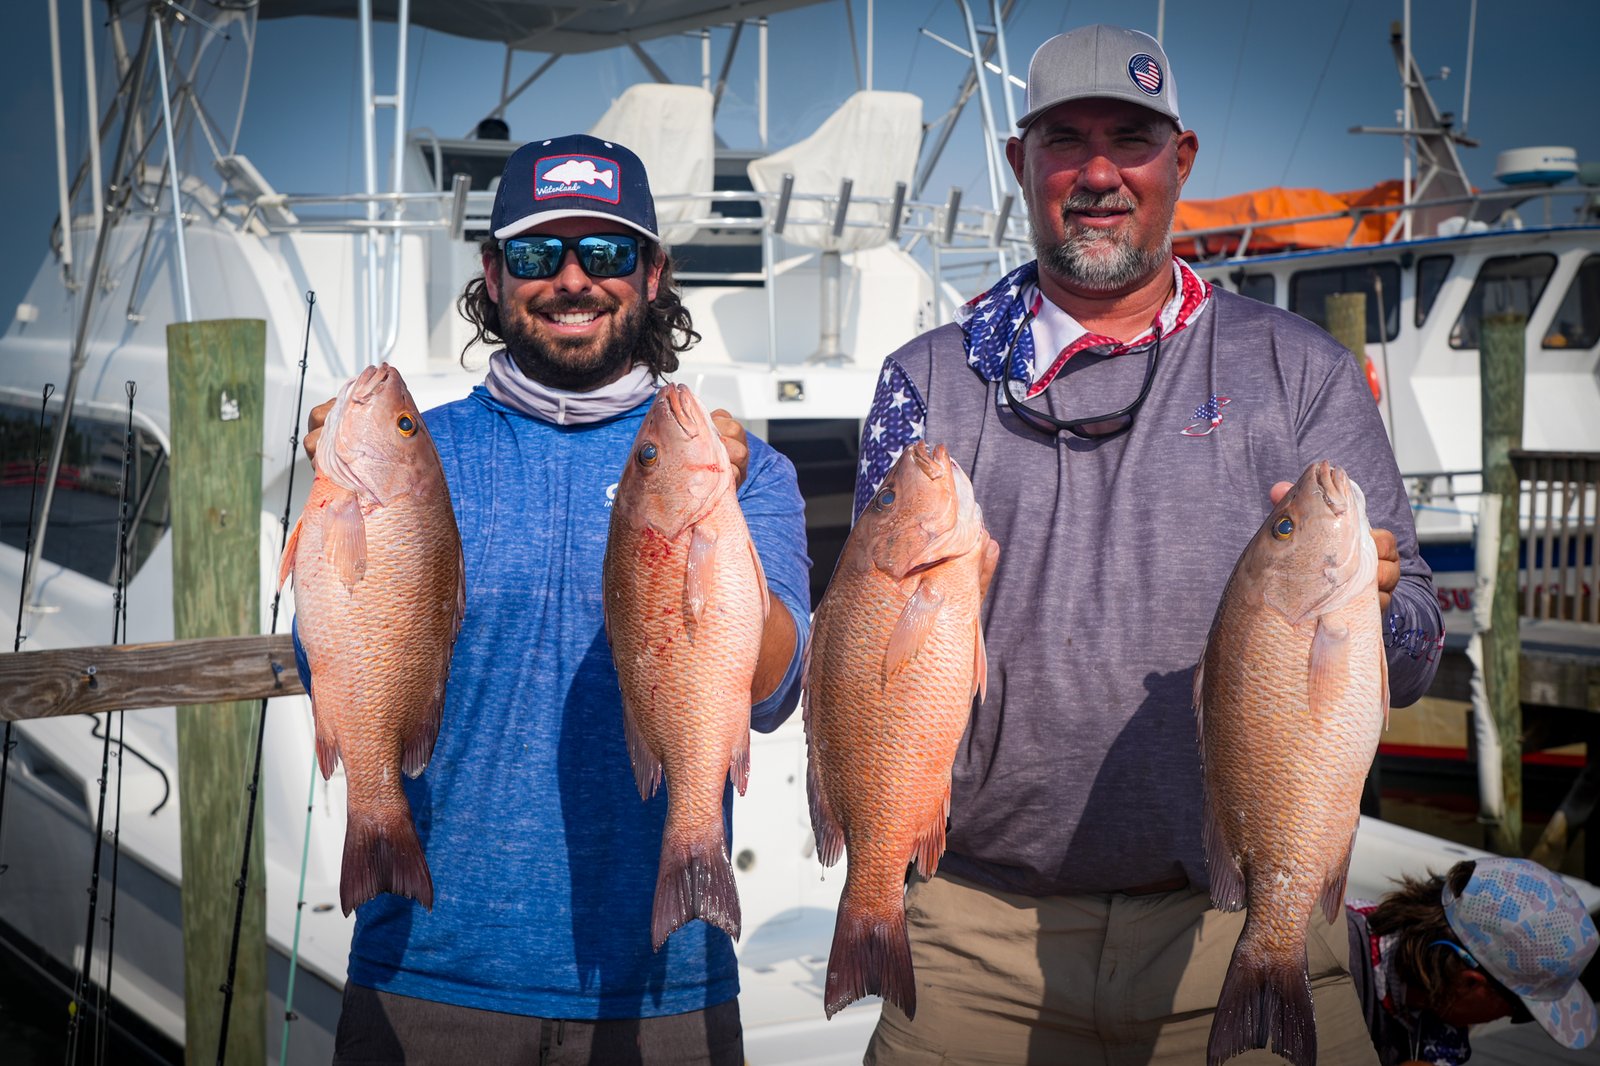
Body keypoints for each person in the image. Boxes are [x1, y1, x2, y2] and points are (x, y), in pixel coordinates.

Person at [850, 24, 1445, 1065]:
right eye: (1064, 142)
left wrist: (1375, 608)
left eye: (1129, 139)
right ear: (1019, 163)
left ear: (1181, 159)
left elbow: (1419, 646)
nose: (1097, 174)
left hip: (1238, 915)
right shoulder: (925, 382)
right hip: (971, 937)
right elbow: (869, 661)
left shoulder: (1300, 368)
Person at [296, 134, 810, 1064]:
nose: (573, 279)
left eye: (606, 251)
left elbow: (772, 694)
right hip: (427, 975)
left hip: (666, 985)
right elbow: (331, 656)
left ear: (654, 274)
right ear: (494, 275)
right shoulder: (417, 458)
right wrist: (337, 504)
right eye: (538, 254)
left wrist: (718, 531)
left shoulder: (746, 471)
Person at [1348, 856, 1598, 1064]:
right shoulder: (1339, 970)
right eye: (1521, 1011)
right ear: (1470, 983)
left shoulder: (1434, 1013)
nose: (1504, 1019)